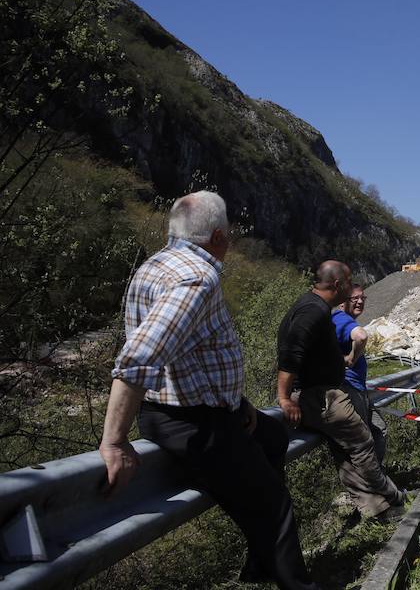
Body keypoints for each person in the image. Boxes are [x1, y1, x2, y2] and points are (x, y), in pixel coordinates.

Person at [99, 191, 317, 590]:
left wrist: (238, 402)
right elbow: (139, 358)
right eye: (229, 233)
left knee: (271, 437)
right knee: (275, 506)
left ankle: (260, 568)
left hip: (200, 410)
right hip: (189, 421)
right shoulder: (198, 276)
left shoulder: (157, 263)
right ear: (218, 236)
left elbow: (193, 352)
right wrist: (114, 441)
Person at [277, 261, 404, 519]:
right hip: (320, 396)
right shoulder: (313, 310)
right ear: (337, 285)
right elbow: (291, 353)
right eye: (348, 283)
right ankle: (392, 494)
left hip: (320, 393)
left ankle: (376, 508)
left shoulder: (316, 307)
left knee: (345, 450)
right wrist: (283, 397)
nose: (351, 288)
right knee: (363, 444)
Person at [332, 283, 387, 464]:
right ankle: (368, 485)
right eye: (354, 298)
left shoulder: (344, 319)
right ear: (341, 302)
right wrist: (351, 359)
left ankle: (375, 480)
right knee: (364, 441)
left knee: (378, 430)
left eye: (362, 298)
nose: (360, 302)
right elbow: (361, 336)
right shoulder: (341, 318)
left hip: (356, 388)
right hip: (350, 389)